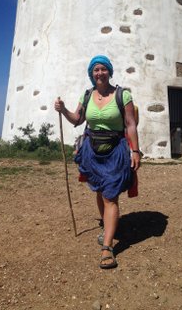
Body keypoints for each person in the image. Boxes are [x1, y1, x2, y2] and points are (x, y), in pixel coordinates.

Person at [54, 55, 140, 269]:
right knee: (100, 192)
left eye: (103, 69)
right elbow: (77, 119)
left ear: (109, 71)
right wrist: (63, 109)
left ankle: (107, 247)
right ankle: (108, 228)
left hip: (116, 150)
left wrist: (136, 150)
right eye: (96, 70)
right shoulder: (87, 96)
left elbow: (130, 124)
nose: (99, 73)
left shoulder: (123, 95)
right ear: (91, 74)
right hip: (93, 151)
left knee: (111, 196)